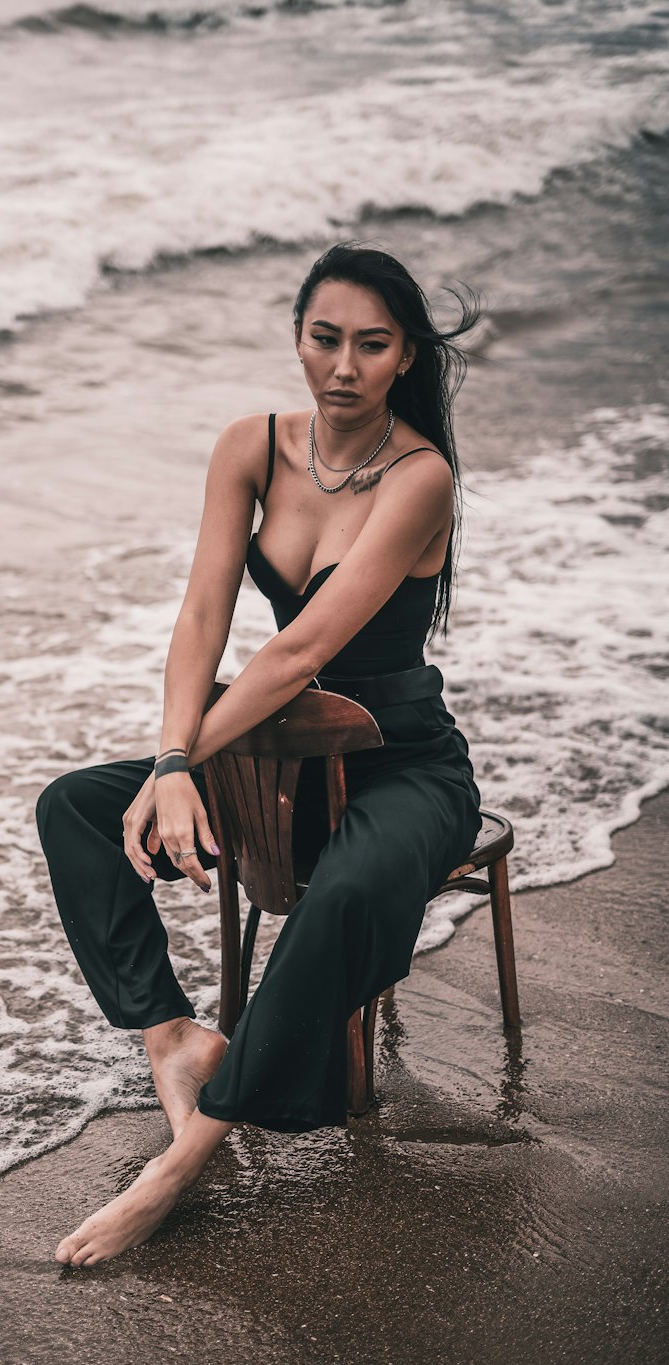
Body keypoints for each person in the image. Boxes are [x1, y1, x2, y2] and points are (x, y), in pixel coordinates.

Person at [36, 243, 483, 1266]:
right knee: (72, 807)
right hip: (271, 757)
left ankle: (186, 1159)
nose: (342, 365)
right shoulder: (249, 445)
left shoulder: (421, 477)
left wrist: (181, 768)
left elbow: (300, 650)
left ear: (404, 356)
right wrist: (167, 763)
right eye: (323, 339)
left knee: (344, 894)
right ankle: (170, 1038)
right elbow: (203, 612)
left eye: (371, 345)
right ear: (296, 338)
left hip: (401, 767)